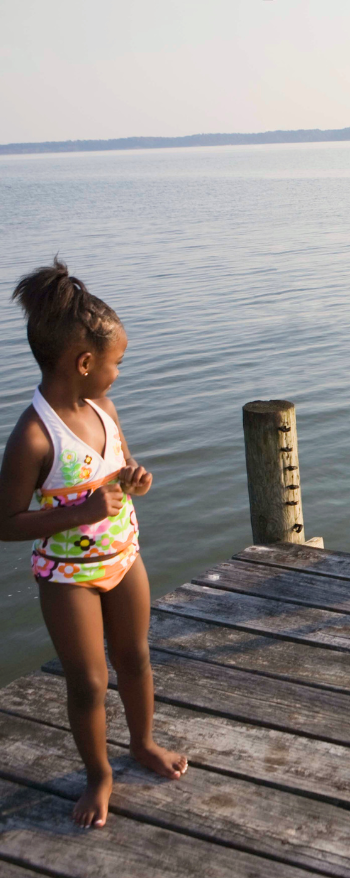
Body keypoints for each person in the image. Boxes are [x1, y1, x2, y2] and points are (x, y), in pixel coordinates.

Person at [0, 258, 187, 829]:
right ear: (83, 363)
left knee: (134, 658)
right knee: (87, 680)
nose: (117, 375)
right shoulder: (34, 436)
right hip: (67, 575)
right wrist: (78, 511)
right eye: (116, 365)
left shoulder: (104, 409)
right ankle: (98, 774)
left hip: (124, 557)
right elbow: (6, 522)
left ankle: (142, 743)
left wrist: (134, 479)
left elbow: (120, 467)